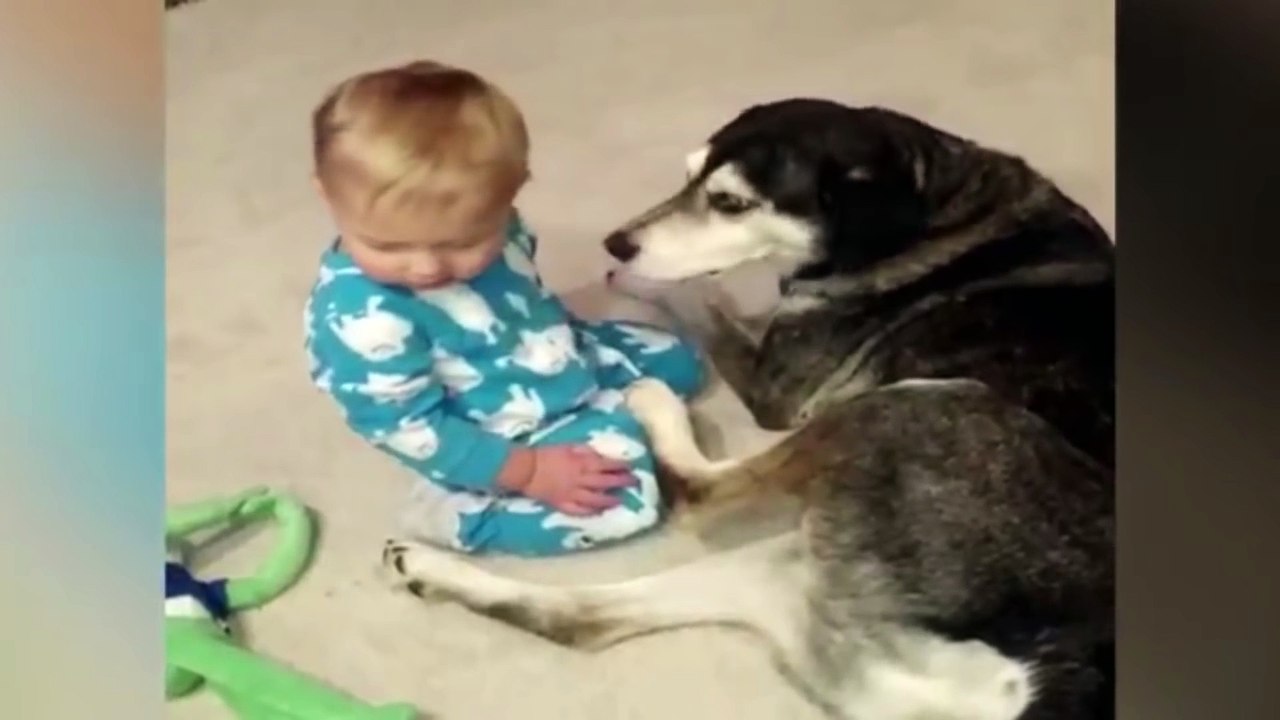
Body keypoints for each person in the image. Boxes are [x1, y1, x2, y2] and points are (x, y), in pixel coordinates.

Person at [303, 60, 705, 556]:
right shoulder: (362, 323)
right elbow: (406, 427)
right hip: (495, 432)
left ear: (510, 197)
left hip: (551, 353)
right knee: (623, 503)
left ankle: (597, 398)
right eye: (387, 245)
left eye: (462, 242)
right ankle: (459, 515)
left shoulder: (503, 225)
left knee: (683, 362)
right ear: (327, 196)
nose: (427, 267)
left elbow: (521, 296)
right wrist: (529, 471)